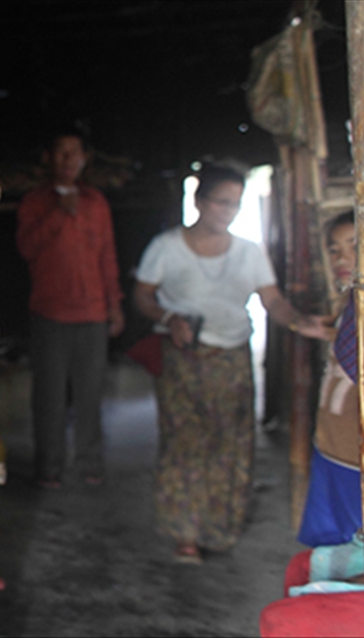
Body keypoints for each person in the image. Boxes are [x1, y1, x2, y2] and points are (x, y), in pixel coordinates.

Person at [133, 164, 331, 563]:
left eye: (235, 205)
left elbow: (271, 301)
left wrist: (298, 321)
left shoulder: (248, 252)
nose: (228, 211)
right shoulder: (166, 246)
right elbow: (142, 296)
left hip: (234, 360)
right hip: (184, 360)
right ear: (199, 201)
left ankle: (219, 527)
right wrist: (169, 319)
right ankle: (185, 534)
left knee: (231, 445)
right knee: (185, 445)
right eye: (221, 202)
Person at [16, 127, 125, 489]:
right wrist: (57, 216)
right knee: (48, 397)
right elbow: (27, 250)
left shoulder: (96, 203)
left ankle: (89, 464)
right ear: (50, 159)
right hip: (50, 313)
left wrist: (115, 305)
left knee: (90, 395)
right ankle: (49, 468)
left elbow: (107, 257)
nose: (68, 161)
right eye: (61, 153)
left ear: (84, 160)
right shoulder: (35, 202)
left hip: (93, 314)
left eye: (74, 153)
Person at [297, 211, 361, 547]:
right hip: (333, 447)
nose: (343, 258)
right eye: (334, 250)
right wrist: (331, 333)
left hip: (360, 455)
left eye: (356, 245)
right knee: (338, 550)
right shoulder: (351, 304)